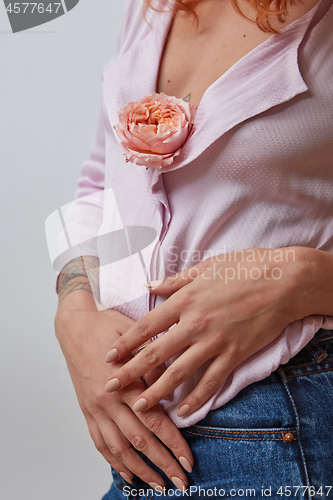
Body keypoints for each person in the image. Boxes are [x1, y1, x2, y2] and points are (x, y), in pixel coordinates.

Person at [54, 0, 333, 498]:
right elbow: (101, 182)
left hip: (275, 411)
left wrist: (308, 279)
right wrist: (75, 313)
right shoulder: (152, 8)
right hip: (140, 442)